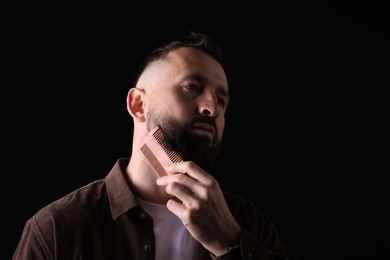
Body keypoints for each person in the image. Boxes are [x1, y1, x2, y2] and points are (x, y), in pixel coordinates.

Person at [13, 31, 299, 260]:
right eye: (192, 87)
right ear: (138, 104)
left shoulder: (247, 223)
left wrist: (230, 243)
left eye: (222, 100)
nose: (212, 108)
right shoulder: (57, 228)